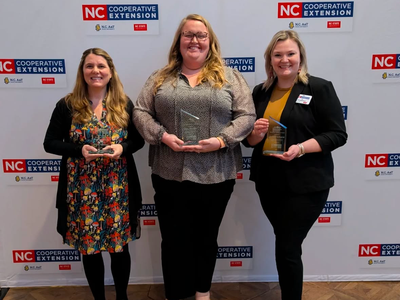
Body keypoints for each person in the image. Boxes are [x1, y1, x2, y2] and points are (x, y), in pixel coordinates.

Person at [133, 14, 256, 300]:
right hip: (169, 172)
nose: (195, 40)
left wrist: (221, 140)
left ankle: (202, 292)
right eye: (188, 35)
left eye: (201, 35)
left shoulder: (230, 77)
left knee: (206, 239)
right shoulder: (160, 77)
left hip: (216, 173)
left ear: (210, 42)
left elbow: (247, 115)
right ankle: (176, 294)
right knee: (173, 241)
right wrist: (162, 135)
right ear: (179, 42)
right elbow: (139, 112)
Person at [243, 30, 347, 300]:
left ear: (300, 58)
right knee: (286, 245)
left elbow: (337, 134)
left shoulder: (319, 88)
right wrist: (256, 132)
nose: (284, 59)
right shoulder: (261, 91)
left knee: (287, 247)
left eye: (290, 54)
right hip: (269, 182)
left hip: (307, 184)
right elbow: (250, 142)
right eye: (278, 55)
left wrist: (301, 148)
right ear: (270, 60)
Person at [44, 48, 144, 300]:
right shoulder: (67, 105)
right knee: (90, 250)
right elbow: (50, 143)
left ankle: (122, 297)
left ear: (110, 72)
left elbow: (138, 141)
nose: (95, 71)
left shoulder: (124, 104)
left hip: (117, 190)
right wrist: (79, 151)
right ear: (82, 72)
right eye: (89, 66)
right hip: (81, 191)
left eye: (101, 66)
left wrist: (122, 148)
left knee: (119, 249)